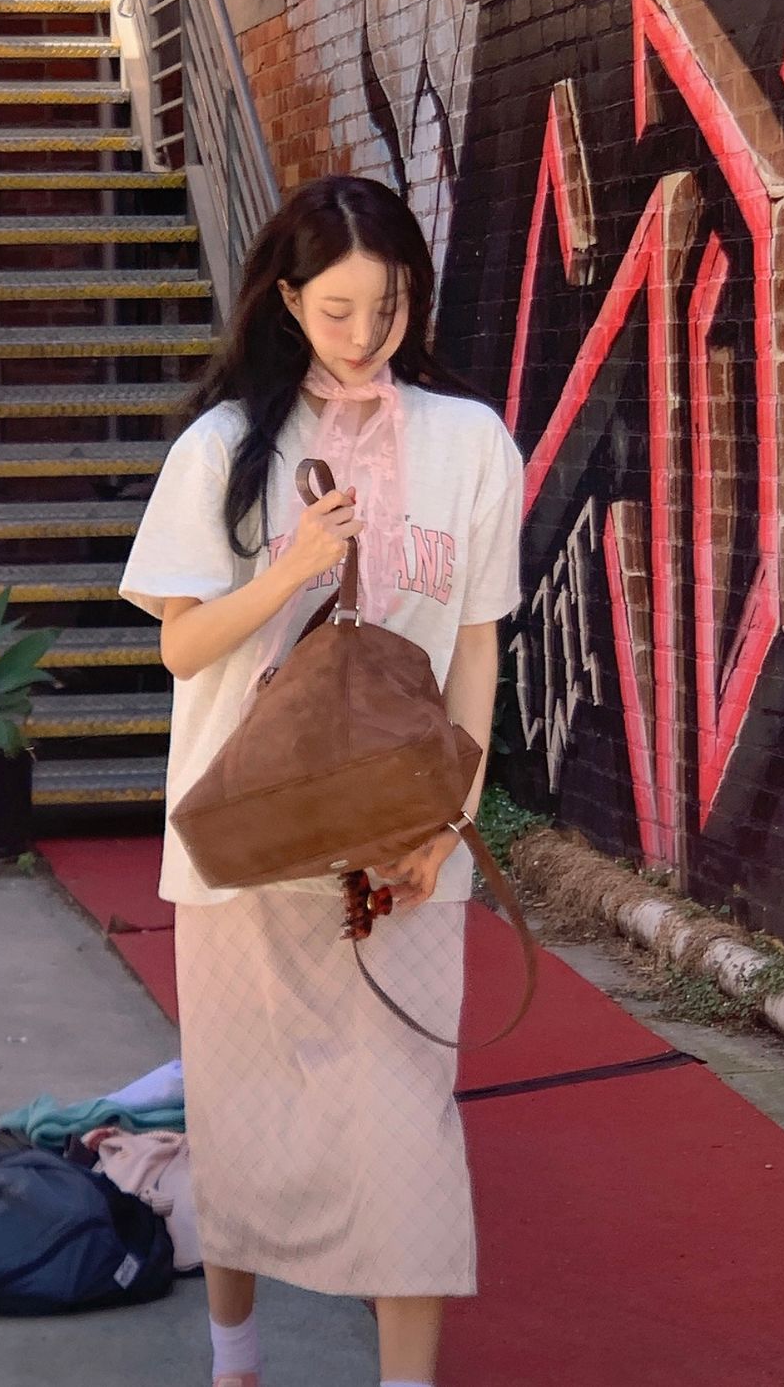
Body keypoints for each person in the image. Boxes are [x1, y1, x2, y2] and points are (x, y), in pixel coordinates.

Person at [119, 175, 524, 1387]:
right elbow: (182, 648)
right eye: (336, 309)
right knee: (242, 1121)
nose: (362, 335)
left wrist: (448, 827)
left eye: (386, 308)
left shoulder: (470, 443)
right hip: (245, 841)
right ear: (287, 300)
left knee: (409, 1136)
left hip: (400, 847)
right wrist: (295, 564)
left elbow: (476, 647)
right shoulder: (222, 449)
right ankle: (234, 1361)